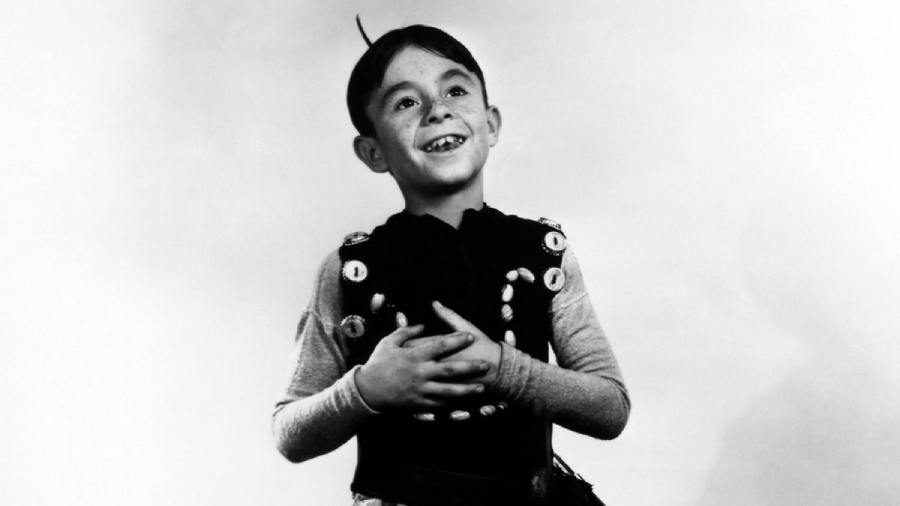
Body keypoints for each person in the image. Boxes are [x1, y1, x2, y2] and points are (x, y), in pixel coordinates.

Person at [272, 24, 629, 506]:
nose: (438, 110)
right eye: (405, 102)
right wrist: (367, 389)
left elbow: (610, 409)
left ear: (491, 123)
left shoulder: (543, 253)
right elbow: (289, 434)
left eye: (455, 90)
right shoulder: (348, 269)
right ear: (373, 151)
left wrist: (504, 369)